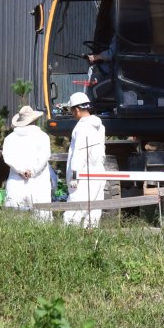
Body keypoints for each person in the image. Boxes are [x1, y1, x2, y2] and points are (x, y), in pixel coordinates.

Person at [2, 105, 52, 221]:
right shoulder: (43, 137)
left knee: (15, 221)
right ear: (35, 120)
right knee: (42, 220)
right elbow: (44, 157)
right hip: (38, 183)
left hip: (16, 182)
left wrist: (21, 170)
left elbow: (7, 157)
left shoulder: (10, 138)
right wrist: (32, 171)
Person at [63, 92, 106, 228]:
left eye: (71, 111)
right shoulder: (99, 126)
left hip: (82, 176)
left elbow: (79, 154)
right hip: (98, 173)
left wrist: (74, 177)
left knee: (72, 215)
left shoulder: (81, 127)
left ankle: (69, 246)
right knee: (93, 215)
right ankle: (91, 244)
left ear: (76, 110)